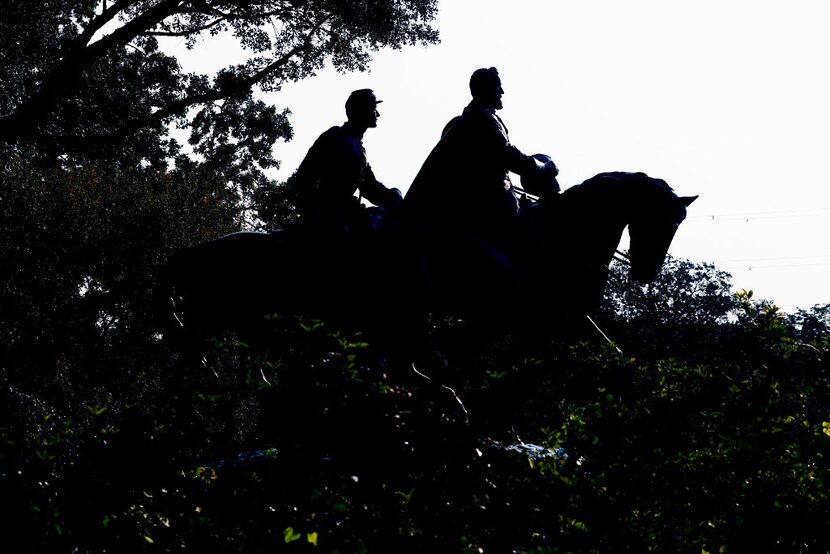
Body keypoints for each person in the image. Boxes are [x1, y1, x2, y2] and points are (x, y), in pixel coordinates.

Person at [404, 67, 559, 248]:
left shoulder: (468, 119)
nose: (502, 91)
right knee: (535, 239)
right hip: (481, 208)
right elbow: (510, 157)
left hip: (475, 204)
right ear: (485, 89)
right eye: (498, 86)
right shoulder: (483, 119)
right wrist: (546, 167)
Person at [292, 89, 402, 236]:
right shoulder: (335, 136)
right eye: (373, 109)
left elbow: (369, 186)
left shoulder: (359, 149)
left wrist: (392, 195)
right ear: (361, 110)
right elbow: (305, 176)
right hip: (330, 215)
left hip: (349, 211)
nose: (378, 114)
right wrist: (314, 215)